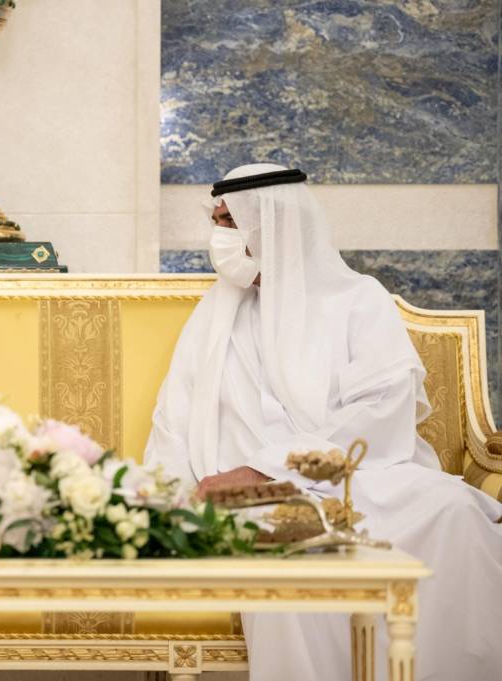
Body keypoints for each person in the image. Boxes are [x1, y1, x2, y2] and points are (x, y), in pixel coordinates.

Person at [144, 163, 502, 681]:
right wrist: (169, 501)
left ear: (272, 226)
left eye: (229, 222)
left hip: (359, 477)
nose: (218, 236)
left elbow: (383, 409)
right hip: (249, 500)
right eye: (217, 221)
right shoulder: (214, 313)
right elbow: (173, 418)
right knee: (283, 549)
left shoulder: (359, 300)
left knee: (451, 510)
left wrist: (270, 467)